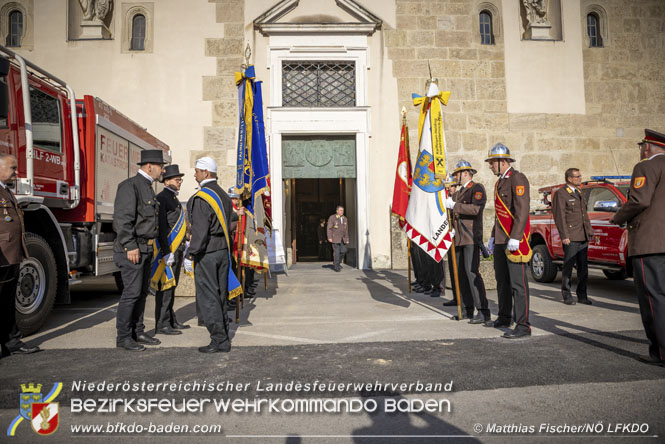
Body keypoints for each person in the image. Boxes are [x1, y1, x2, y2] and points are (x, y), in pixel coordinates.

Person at [611, 128, 665, 367]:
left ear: (647, 147)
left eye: (641, 147)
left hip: (649, 243)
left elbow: (639, 200)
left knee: (652, 299)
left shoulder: (645, 166)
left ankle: (660, 352)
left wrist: (617, 217)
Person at [184, 157, 239, 353]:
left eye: (197, 171)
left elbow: (199, 231)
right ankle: (223, 333)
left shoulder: (202, 197)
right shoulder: (224, 195)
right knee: (220, 295)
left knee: (208, 297)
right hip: (222, 250)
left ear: (206, 173)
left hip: (206, 252)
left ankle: (219, 340)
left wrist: (191, 255)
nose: (195, 174)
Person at [113, 149, 165, 351]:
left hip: (145, 249)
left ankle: (138, 330)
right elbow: (122, 220)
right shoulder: (130, 186)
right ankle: (124, 337)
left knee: (142, 293)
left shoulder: (147, 186)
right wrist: (130, 245)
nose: (163, 171)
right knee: (131, 293)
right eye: (161, 167)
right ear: (149, 166)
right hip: (133, 249)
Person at [485, 143, 532, 339]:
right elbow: (499, 215)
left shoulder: (517, 178)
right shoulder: (499, 183)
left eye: (492, 163)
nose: (490, 166)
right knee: (502, 281)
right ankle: (505, 316)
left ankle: (523, 325)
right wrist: (494, 237)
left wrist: (516, 237)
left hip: (514, 240)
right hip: (501, 240)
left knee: (518, 284)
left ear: (502, 162)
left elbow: (521, 210)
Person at [0, 153, 40, 357]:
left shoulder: (5, 191)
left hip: (10, 256)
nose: (16, 172)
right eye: (12, 168)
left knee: (7, 302)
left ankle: (11, 342)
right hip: (1, 257)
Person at [444, 160, 491, 325]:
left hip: (470, 237)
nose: (455, 177)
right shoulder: (457, 193)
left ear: (465, 173)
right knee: (461, 274)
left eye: (457, 174)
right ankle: (466, 309)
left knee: (472, 274)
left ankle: (483, 311)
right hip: (458, 237)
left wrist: (455, 206)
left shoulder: (476, 188)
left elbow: (475, 209)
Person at [154, 164, 190, 335]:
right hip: (169, 250)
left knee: (172, 286)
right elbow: (162, 227)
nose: (180, 182)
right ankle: (162, 324)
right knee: (166, 288)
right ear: (167, 181)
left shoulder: (173, 198)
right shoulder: (162, 198)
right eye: (177, 180)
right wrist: (166, 251)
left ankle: (171, 319)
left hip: (177, 249)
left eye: (180, 179)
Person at [552, 168, 594, 305]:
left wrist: (589, 231)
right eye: (577, 177)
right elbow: (560, 216)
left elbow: (584, 214)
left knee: (583, 267)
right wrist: (564, 235)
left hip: (582, 234)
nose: (580, 178)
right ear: (569, 178)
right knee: (569, 266)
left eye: (580, 176)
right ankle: (567, 294)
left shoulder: (579, 191)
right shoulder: (562, 194)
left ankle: (582, 295)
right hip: (570, 235)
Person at [327, 205, 349, 272]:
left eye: (343, 210)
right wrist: (329, 237)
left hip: (343, 238)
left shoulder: (345, 218)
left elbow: (346, 230)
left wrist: (347, 239)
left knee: (344, 251)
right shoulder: (332, 217)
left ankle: (337, 262)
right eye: (340, 210)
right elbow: (329, 228)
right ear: (337, 211)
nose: (342, 211)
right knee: (336, 252)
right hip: (335, 238)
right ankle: (336, 267)